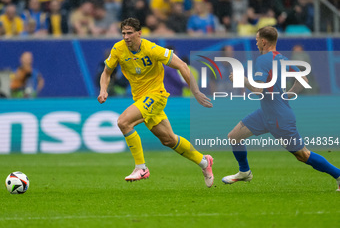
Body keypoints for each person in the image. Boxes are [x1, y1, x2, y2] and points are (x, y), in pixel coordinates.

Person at [97, 18, 214, 187]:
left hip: (156, 96)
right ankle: (204, 162)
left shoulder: (152, 49)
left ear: (139, 33)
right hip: (140, 98)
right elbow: (106, 72)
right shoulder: (118, 49)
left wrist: (195, 91)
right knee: (169, 140)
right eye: (123, 33)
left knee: (124, 122)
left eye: (130, 33)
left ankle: (141, 168)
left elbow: (182, 65)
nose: (126, 37)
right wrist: (103, 89)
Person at [222, 26, 340, 191]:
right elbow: (303, 79)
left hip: (278, 117)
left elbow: (259, 90)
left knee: (303, 155)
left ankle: (339, 175)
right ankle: (244, 172)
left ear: (263, 41)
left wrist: (242, 79)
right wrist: (288, 94)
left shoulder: (263, 60)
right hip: (266, 112)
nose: (256, 43)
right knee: (234, 136)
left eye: (257, 40)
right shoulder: (283, 58)